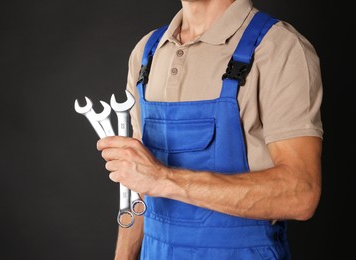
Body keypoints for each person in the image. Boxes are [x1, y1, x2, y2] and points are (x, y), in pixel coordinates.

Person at [97, 0, 323, 259]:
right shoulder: (147, 52)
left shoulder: (278, 47)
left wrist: (163, 179)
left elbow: (301, 193)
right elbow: (137, 179)